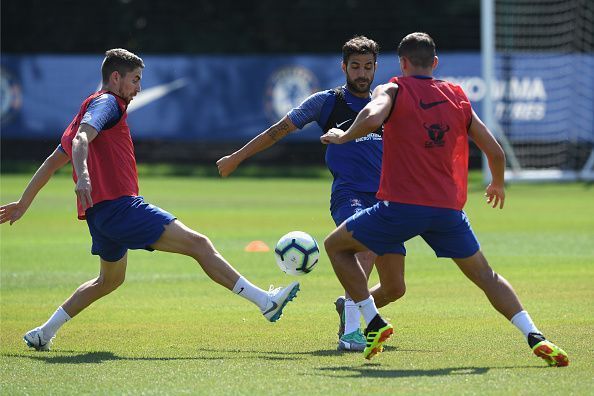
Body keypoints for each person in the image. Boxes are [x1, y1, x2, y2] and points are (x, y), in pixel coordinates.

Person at [0, 48, 300, 352]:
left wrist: (23, 203)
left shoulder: (88, 108)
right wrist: (84, 176)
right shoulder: (109, 104)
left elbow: (54, 160)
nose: (138, 88)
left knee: (109, 281)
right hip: (121, 207)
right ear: (116, 78)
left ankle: (44, 332)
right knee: (199, 245)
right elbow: (79, 142)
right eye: (135, 80)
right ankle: (266, 302)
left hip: (100, 216)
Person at [320, 32, 569, 366]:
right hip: (447, 210)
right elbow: (494, 150)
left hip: (401, 207)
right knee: (487, 276)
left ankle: (373, 319)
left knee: (337, 246)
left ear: (402, 63)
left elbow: (374, 115)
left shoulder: (393, 88)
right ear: (434, 63)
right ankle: (534, 334)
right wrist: (497, 184)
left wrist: (345, 135)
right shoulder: (457, 97)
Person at [217, 36, 382, 352]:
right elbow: (278, 130)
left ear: (376, 68)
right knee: (364, 245)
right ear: (344, 67)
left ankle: (349, 306)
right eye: (356, 66)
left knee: (395, 286)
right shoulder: (327, 102)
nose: (362, 73)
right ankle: (351, 332)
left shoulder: (383, 105)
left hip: (386, 196)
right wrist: (237, 157)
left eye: (368, 67)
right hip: (349, 194)